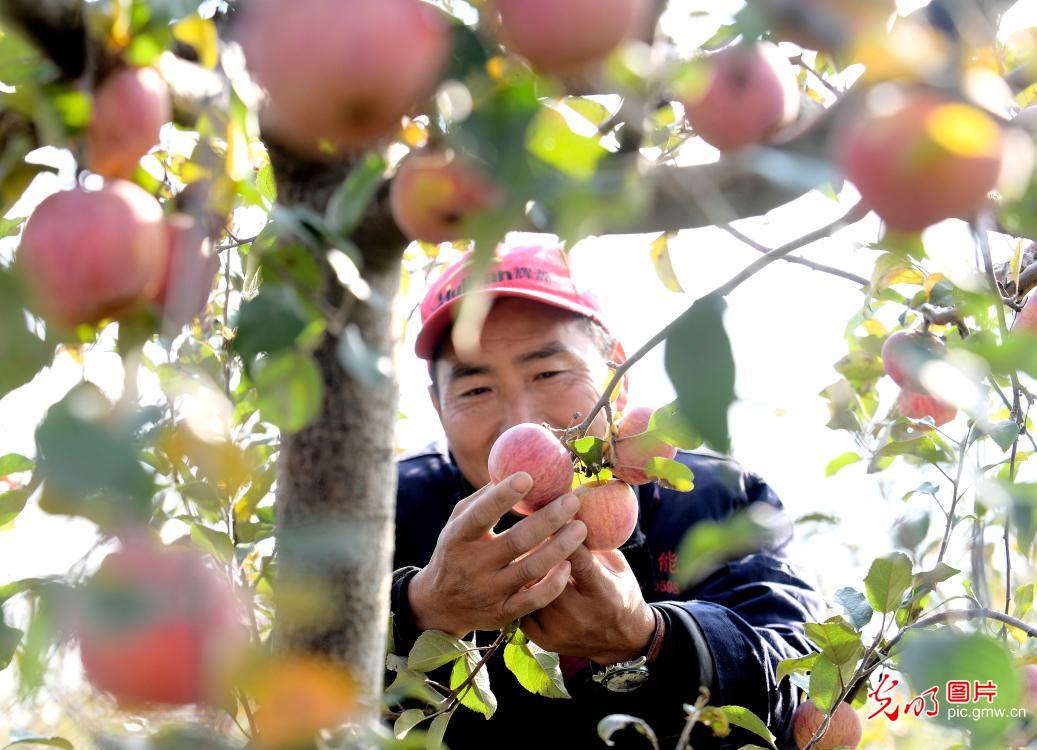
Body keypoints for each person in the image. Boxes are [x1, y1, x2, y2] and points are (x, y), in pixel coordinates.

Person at [388, 242, 826, 749]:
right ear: (438, 408)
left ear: (616, 375)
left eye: (548, 373)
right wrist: (416, 609)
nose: (520, 419)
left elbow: (805, 686)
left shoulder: (717, 499)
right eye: (475, 390)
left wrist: (652, 639)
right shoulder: (395, 511)